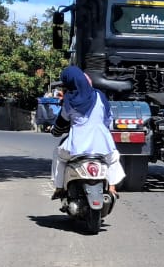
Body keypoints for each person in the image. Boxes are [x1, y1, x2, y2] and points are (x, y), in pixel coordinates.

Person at [50, 66, 124, 199]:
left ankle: (59, 187)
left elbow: (61, 122)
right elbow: (108, 119)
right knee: (113, 158)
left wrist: (55, 131)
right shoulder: (99, 96)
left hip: (77, 148)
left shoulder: (69, 101)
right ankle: (112, 188)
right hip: (103, 146)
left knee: (59, 156)